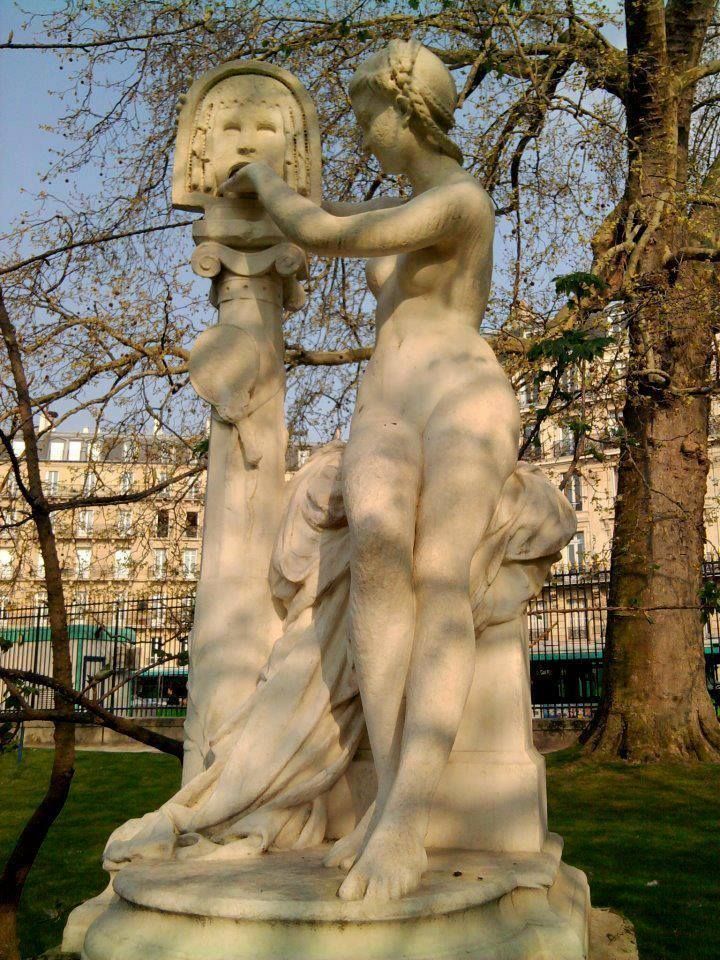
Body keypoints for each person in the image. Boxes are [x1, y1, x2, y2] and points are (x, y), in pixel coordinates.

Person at [223, 37, 521, 903]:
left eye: (365, 116)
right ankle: (394, 805)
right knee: (384, 573)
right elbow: (327, 218)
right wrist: (266, 199)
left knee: (439, 579)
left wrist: (264, 182)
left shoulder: (462, 201)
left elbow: (321, 228)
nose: (362, 132)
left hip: (460, 395)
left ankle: (405, 820)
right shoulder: (409, 202)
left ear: (409, 110)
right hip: (386, 400)